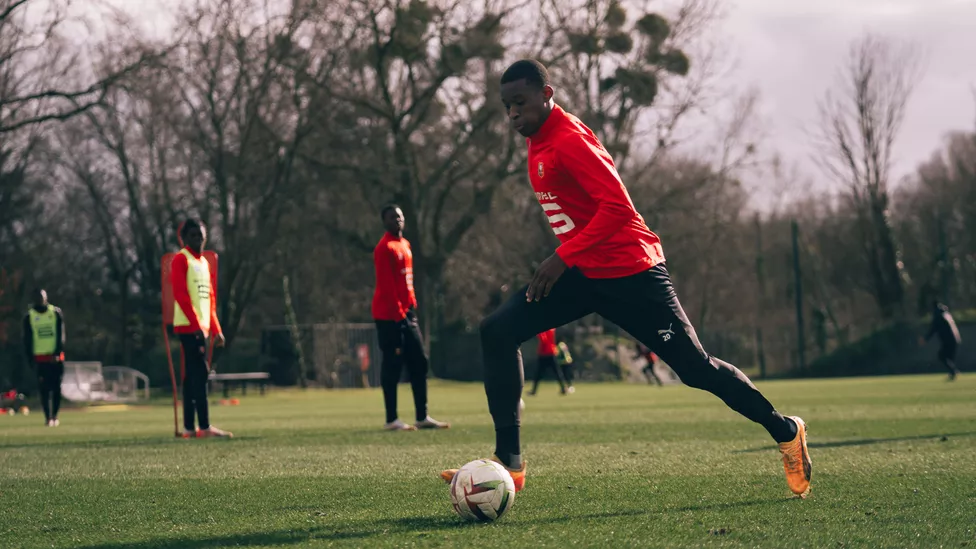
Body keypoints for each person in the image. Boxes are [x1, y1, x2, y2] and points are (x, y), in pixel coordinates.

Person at [440, 59, 811, 499]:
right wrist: (570, 259)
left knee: (696, 370)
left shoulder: (570, 139)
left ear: (547, 93)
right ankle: (510, 464)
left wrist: (562, 256)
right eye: (507, 107)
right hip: (583, 273)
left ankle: (785, 430)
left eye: (520, 102)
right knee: (497, 331)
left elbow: (620, 209)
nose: (513, 114)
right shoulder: (536, 137)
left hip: (632, 274)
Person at [372, 204, 450, 431]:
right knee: (392, 365)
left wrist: (411, 305)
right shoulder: (384, 248)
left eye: (399, 216)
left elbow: (407, 282)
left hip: (407, 313)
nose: (396, 220)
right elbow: (387, 287)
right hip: (389, 316)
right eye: (391, 217)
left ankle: (422, 416)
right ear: (384, 221)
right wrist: (398, 315)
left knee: (419, 361)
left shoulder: (405, 245)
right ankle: (391, 419)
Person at [171, 219, 232, 438]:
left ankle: (189, 428)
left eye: (201, 236)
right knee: (201, 374)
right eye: (193, 236)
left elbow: (209, 299)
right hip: (189, 328)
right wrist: (196, 325)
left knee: (191, 378)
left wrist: (216, 329)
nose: (198, 240)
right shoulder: (181, 259)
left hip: (202, 328)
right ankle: (204, 426)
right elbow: (181, 295)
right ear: (184, 238)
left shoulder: (204, 263)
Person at [22, 289, 64, 426]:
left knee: (56, 388)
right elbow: (27, 339)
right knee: (44, 389)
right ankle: (48, 417)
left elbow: (61, 334)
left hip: (55, 358)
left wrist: (58, 352)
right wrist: (30, 358)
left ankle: (55, 415)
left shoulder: (55, 313)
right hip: (40, 359)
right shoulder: (30, 316)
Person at [920, 301, 962, 380]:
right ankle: (953, 372)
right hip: (955, 339)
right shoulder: (946, 314)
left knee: (942, 356)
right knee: (947, 357)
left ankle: (953, 371)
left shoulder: (938, 316)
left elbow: (933, 329)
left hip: (949, 340)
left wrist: (925, 339)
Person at [528, 328, 566, 396]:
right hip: (551, 352)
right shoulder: (552, 329)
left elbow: (543, 340)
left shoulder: (543, 330)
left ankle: (534, 391)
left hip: (544, 353)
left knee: (538, 374)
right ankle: (563, 388)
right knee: (557, 372)